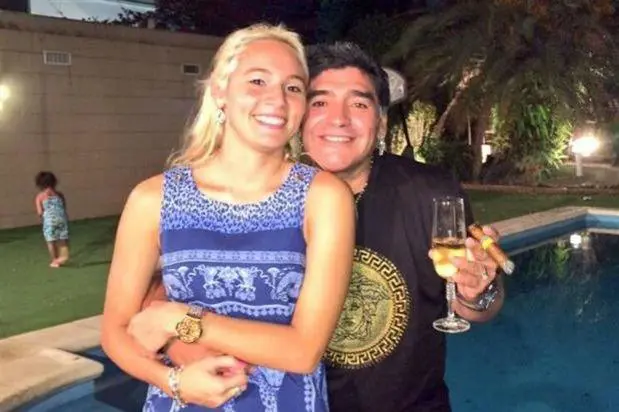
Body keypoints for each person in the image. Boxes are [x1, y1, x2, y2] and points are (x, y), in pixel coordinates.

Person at [140, 42, 505, 411]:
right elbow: (160, 286)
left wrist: (478, 291)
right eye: (320, 103)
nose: (338, 119)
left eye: (359, 104)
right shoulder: (260, 192)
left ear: (381, 122)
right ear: (299, 115)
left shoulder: (430, 192)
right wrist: (178, 341)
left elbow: (475, 306)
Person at [101, 24, 355, 412]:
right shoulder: (152, 199)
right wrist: (173, 382)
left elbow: (304, 351)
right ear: (220, 91)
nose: (277, 100)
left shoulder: (323, 197)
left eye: (293, 87)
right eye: (257, 81)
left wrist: (179, 319)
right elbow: (115, 332)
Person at [34, 171, 70, 267]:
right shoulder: (59, 194)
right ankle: (63, 256)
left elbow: (40, 212)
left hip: (49, 221)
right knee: (63, 239)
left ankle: (55, 260)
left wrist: (44, 216)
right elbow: (63, 206)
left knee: (51, 241)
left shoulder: (40, 196)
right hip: (61, 219)